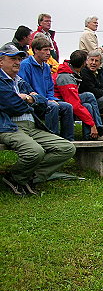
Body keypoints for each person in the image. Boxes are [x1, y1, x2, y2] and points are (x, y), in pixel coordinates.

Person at [0, 44, 75, 195]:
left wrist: (28, 98)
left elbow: (42, 103)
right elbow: (13, 106)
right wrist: (31, 100)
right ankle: (15, 177)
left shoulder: (19, 81)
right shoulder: (1, 81)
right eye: (12, 58)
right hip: (10, 126)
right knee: (34, 152)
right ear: (1, 61)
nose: (17, 62)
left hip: (31, 126)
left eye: (19, 59)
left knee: (67, 148)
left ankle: (29, 176)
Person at [54, 50, 103, 141]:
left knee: (90, 105)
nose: (92, 63)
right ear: (84, 63)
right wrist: (92, 124)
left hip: (77, 100)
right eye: (90, 60)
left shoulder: (76, 72)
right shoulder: (67, 77)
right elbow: (75, 103)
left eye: (96, 61)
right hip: (62, 102)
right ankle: (102, 130)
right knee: (93, 96)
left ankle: (90, 137)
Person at [18, 36, 74, 141]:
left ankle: (69, 140)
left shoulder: (47, 67)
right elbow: (24, 87)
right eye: (45, 50)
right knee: (52, 106)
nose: (48, 53)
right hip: (33, 101)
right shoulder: (26, 65)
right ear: (36, 50)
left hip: (46, 100)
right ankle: (53, 139)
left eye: (49, 50)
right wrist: (44, 100)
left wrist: (50, 98)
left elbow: (49, 88)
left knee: (67, 107)